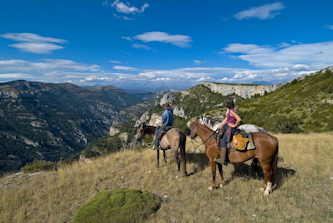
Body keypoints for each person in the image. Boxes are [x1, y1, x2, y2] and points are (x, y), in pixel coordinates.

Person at [214, 98, 242, 165]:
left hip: (231, 128)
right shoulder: (230, 110)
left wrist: (234, 125)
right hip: (227, 126)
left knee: (223, 141)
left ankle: (222, 160)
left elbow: (239, 119)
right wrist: (221, 126)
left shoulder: (232, 111)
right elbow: (227, 119)